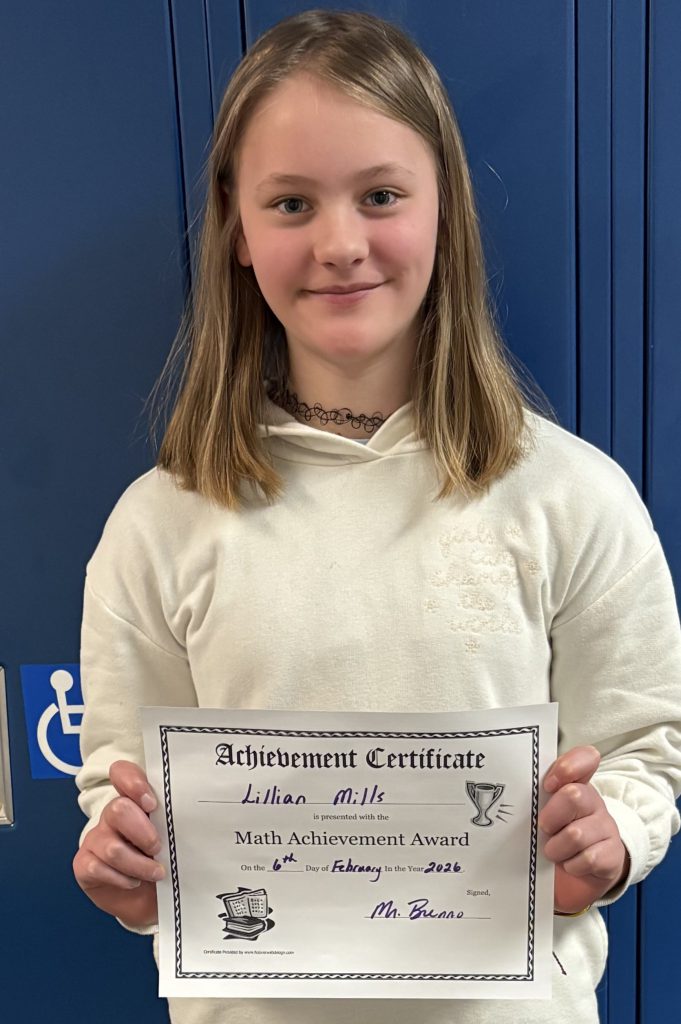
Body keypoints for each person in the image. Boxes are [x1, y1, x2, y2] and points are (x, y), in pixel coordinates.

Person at [73, 8, 681, 1024]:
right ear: (235, 228)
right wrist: (133, 875)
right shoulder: (159, 525)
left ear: (445, 211)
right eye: (293, 203)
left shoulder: (573, 498)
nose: (342, 243)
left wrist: (607, 839)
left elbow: (644, 748)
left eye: (383, 195)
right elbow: (123, 789)